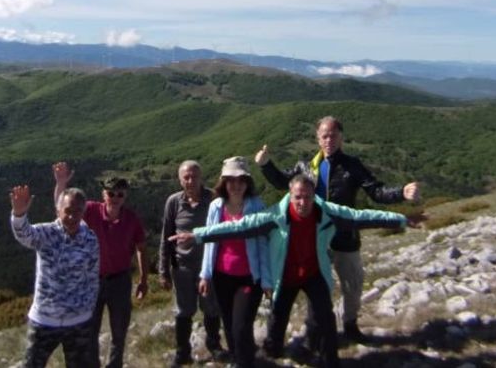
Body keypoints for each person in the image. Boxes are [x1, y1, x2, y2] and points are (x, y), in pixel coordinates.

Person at [170, 174, 416, 368]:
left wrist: (402, 219)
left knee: (325, 317)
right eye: (298, 197)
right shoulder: (276, 215)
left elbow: (363, 216)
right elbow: (240, 227)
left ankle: (331, 360)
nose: (303, 202)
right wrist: (198, 235)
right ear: (291, 194)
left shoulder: (326, 212)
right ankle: (273, 348)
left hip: (313, 273)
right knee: (278, 317)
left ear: (313, 196)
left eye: (307, 197)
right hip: (285, 274)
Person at [255, 115, 420, 343]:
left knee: (352, 285)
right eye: (324, 135)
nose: (329, 140)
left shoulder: (352, 166)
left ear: (341, 137)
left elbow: (377, 191)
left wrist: (402, 192)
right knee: (317, 288)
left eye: (333, 135)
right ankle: (314, 335)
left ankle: (350, 325)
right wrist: (266, 165)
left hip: (345, 237)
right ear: (317, 138)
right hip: (315, 239)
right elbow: (284, 182)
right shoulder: (306, 166)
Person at [53, 162, 148, 368]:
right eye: (111, 193)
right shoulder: (91, 210)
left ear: (126, 196)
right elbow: (63, 207)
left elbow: (141, 248)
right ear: (103, 194)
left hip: (120, 280)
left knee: (119, 331)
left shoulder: (132, 219)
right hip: (92, 281)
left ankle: (115, 365)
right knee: (90, 331)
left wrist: (143, 279)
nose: (115, 198)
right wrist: (61, 183)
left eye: (120, 194)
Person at [10, 184, 100, 368]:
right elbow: (25, 235)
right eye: (67, 211)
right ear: (57, 210)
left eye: (77, 211)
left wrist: (86, 309)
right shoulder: (46, 233)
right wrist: (19, 215)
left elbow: (92, 278)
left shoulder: (90, 239)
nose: (72, 216)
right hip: (44, 320)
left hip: (78, 321)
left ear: (83, 212)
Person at [198, 156, 272, 368]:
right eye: (231, 180)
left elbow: (262, 245)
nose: (236, 184)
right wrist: (205, 275)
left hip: (249, 278)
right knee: (229, 325)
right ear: (224, 182)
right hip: (222, 277)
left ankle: (244, 361)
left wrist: (266, 280)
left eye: (241, 179)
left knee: (241, 325)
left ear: (247, 182)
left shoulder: (257, 205)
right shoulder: (216, 207)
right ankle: (239, 360)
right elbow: (209, 241)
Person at [158, 160, 226, 366]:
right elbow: (166, 236)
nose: (190, 181)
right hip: (183, 267)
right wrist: (163, 270)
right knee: (183, 311)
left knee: (211, 308)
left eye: (194, 176)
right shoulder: (174, 202)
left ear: (201, 177)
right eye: (186, 177)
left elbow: (222, 231)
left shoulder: (214, 199)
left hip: (209, 267)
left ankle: (214, 345)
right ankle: (182, 352)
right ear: (180, 180)